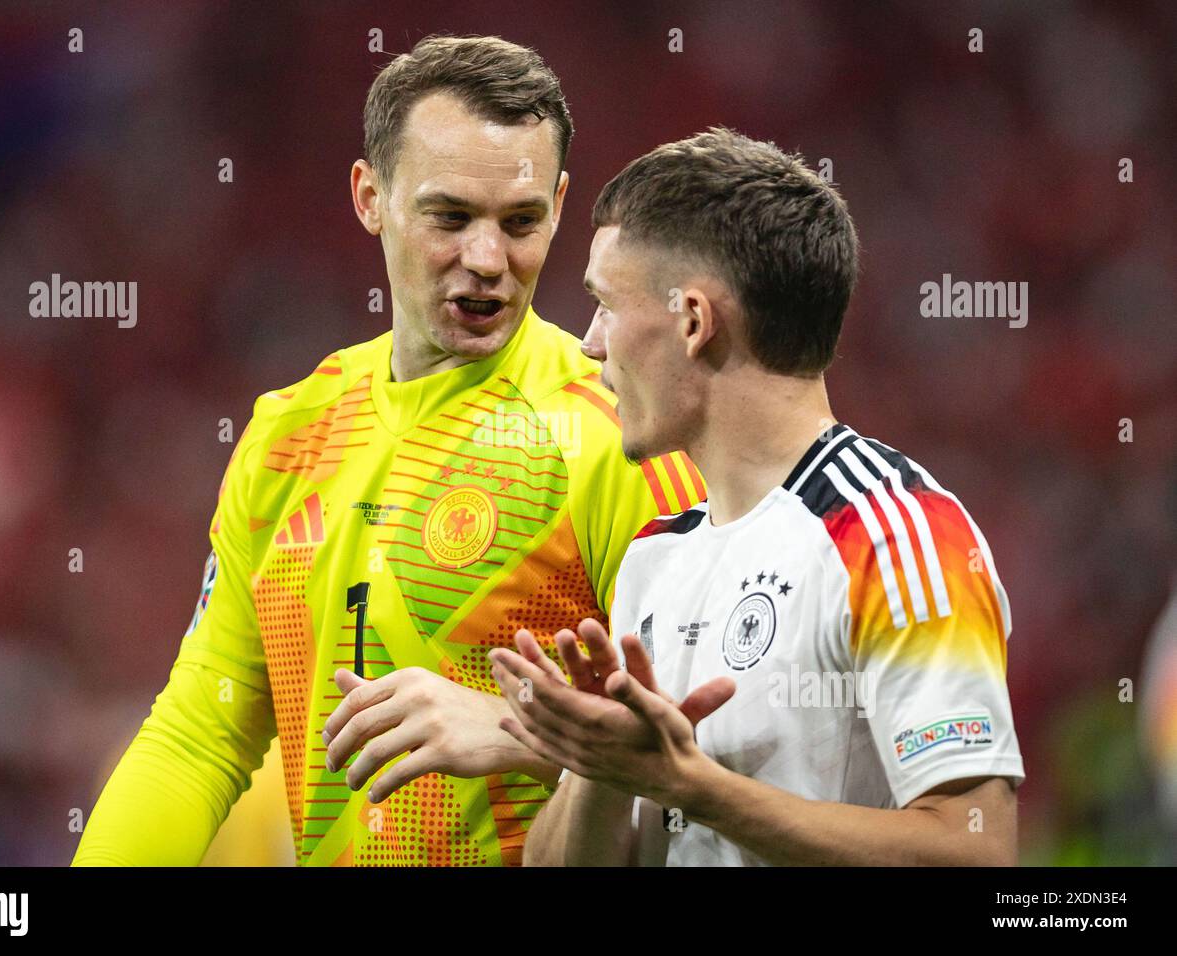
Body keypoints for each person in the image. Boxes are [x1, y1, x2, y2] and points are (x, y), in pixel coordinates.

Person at [72, 35, 702, 867]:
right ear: (371, 196)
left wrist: (521, 732)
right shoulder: (288, 434)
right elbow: (199, 740)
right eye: (449, 217)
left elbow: (717, 743)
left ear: (558, 204)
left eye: (521, 222)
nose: (487, 261)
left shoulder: (620, 438)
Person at [490, 129, 1025, 866]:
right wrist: (598, 764)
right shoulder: (655, 557)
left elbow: (976, 852)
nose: (589, 343)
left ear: (692, 321)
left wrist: (694, 787)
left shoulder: (897, 533)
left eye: (605, 305)